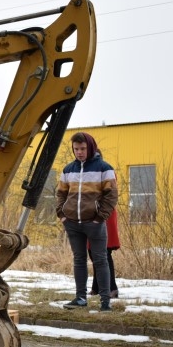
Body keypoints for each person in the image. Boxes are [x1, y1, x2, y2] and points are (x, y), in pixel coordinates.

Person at [55, 132, 118, 312]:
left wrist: (100, 218)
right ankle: (80, 298)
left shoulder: (104, 168)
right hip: (73, 223)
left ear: (90, 147)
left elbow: (112, 195)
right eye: (76, 149)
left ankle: (105, 301)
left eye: (82, 149)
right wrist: (62, 215)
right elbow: (61, 194)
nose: (79, 152)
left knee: (101, 260)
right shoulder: (68, 170)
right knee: (79, 260)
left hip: (95, 223)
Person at [89, 208, 120, 298]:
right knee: (92, 251)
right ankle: (96, 287)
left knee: (104, 253)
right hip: (92, 213)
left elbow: (109, 197)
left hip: (104, 213)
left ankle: (112, 288)